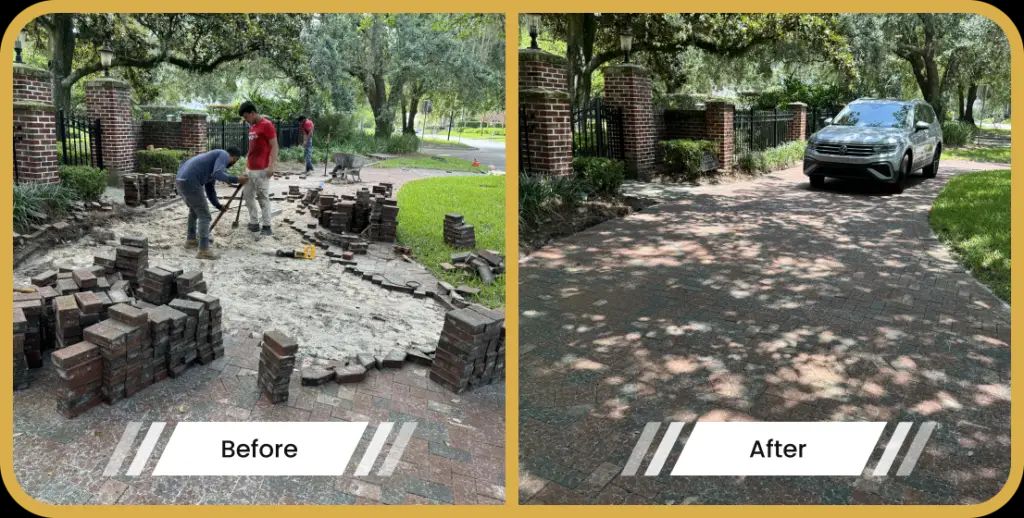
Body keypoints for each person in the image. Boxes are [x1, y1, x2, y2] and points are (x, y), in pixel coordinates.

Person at [175, 147, 248, 260]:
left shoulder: (210, 164)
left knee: (194, 211)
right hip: (190, 181)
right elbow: (219, 174)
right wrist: (237, 179)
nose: (233, 164)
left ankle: (191, 240)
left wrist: (218, 205)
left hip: (180, 181)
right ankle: (203, 250)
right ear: (234, 157)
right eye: (235, 161)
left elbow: (210, 190)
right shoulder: (223, 154)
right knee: (205, 215)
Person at [239, 101, 278, 236]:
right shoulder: (252, 126)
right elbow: (251, 148)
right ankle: (254, 223)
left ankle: (267, 225)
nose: (246, 120)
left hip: (262, 169)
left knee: (263, 198)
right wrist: (246, 166)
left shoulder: (267, 125)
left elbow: (274, 146)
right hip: (250, 169)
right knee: (248, 196)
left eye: (246, 117)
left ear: (252, 113)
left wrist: (271, 165)